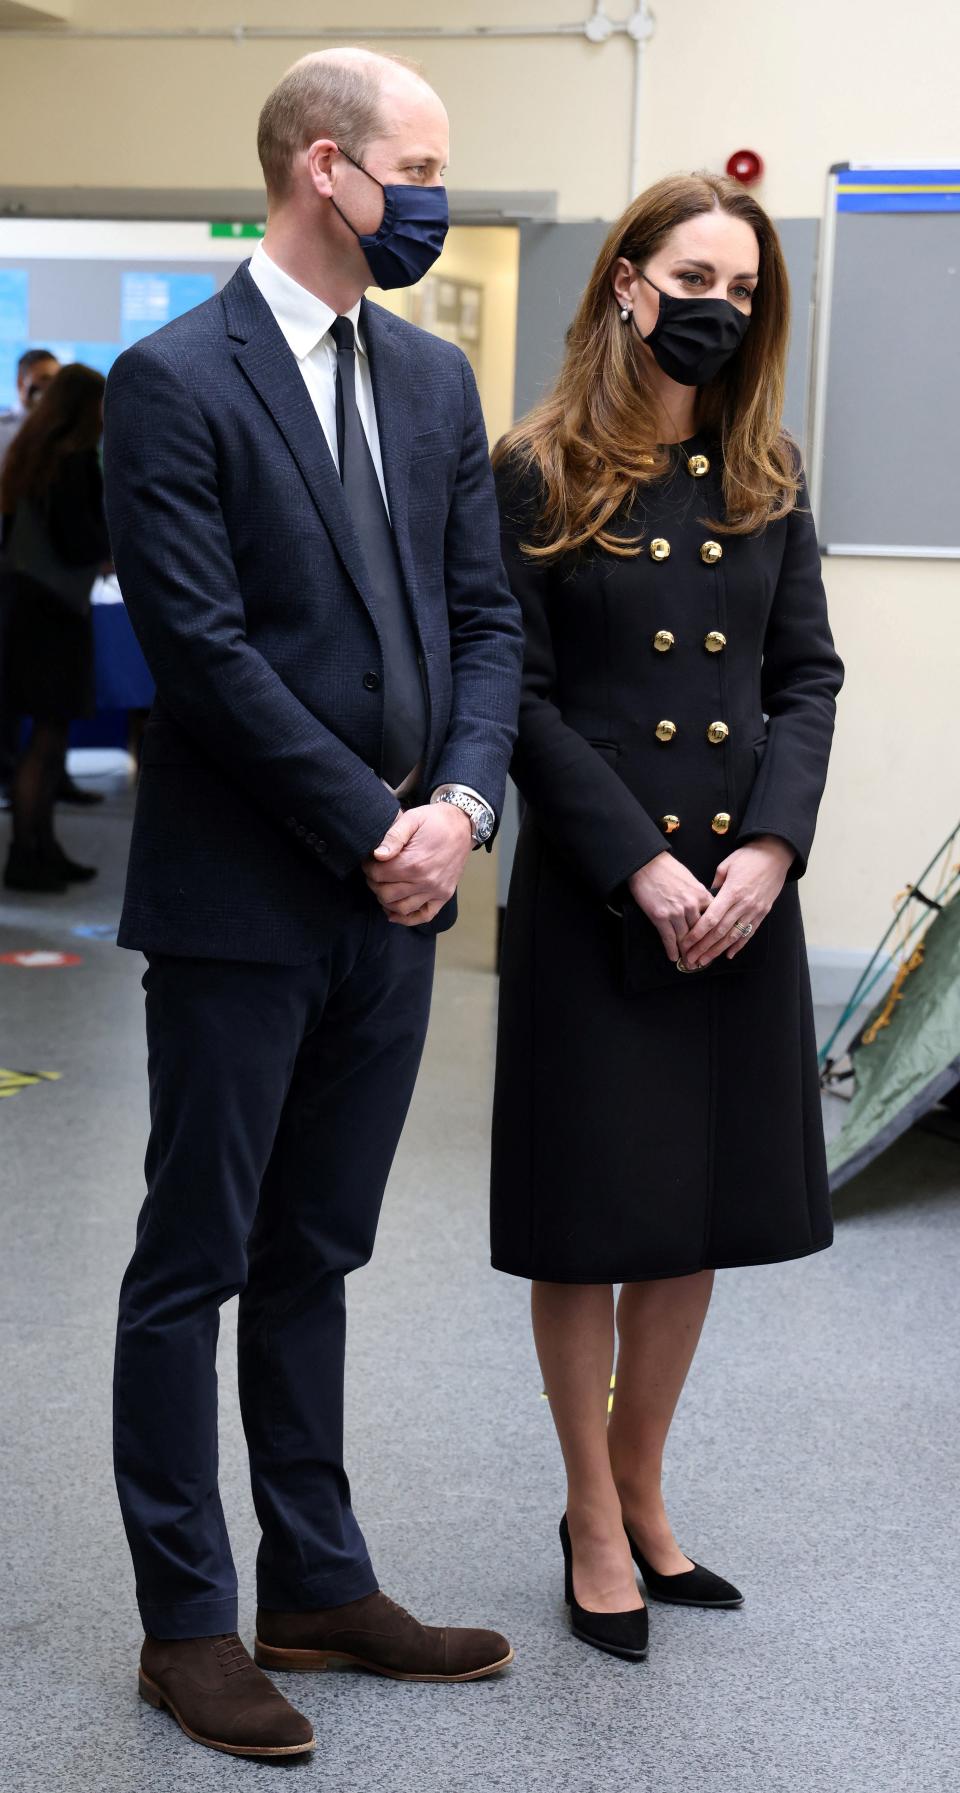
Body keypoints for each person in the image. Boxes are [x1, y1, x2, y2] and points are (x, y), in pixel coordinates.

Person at [103, 47, 523, 1762]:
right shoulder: (171, 379)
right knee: (190, 1258)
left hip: (394, 905)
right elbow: (200, 654)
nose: (433, 195)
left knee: (319, 1250)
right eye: (417, 166)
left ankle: (317, 1578)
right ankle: (188, 1620)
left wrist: (462, 808)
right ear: (326, 166)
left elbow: (486, 620)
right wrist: (375, 821)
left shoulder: (429, 384)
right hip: (243, 901)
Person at [490, 172, 844, 1663]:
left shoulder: (767, 470)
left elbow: (805, 679)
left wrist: (770, 848)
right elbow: (515, 690)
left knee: (688, 1218)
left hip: (738, 909)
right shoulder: (535, 470)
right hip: (599, 900)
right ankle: (585, 1507)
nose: (720, 307)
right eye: (696, 275)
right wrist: (639, 860)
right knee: (591, 1222)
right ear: (627, 282)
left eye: (746, 290)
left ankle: (645, 1485)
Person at [0, 362, 108, 892]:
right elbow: (80, 543)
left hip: (26, 607)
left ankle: (38, 846)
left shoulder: (30, 453)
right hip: (57, 614)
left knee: (41, 740)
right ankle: (28, 853)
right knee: (47, 739)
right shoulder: (76, 461)